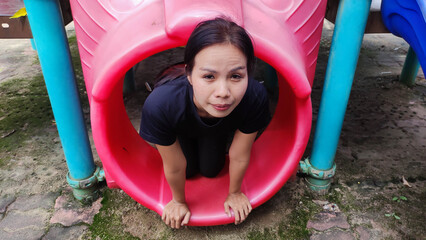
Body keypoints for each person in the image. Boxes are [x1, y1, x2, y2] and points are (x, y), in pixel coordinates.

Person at [139, 17, 271, 228]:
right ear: (189, 74)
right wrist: (178, 202)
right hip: (179, 123)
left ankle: (214, 129)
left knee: (211, 170)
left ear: (249, 73)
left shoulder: (254, 96)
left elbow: (239, 154)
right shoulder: (161, 104)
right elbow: (174, 165)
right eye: (209, 77)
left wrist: (235, 193)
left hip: (217, 128)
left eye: (236, 76)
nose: (223, 93)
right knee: (188, 170)